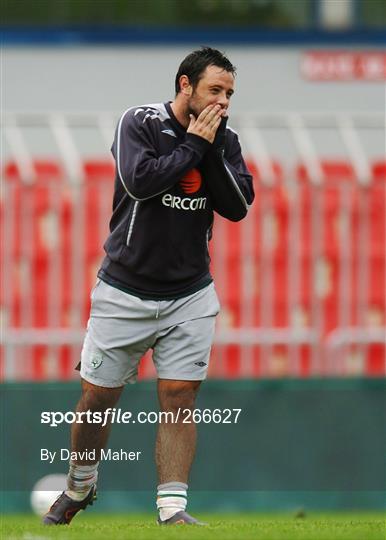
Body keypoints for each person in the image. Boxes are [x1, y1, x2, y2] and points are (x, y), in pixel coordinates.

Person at [43, 46, 254, 526]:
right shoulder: (139, 122)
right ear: (185, 84)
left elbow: (238, 205)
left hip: (191, 293)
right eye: (214, 91)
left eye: (229, 94)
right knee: (98, 398)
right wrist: (194, 147)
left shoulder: (227, 139)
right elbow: (140, 182)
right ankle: (80, 483)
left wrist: (211, 146)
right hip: (124, 289)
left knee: (179, 395)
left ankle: (172, 508)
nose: (223, 102)